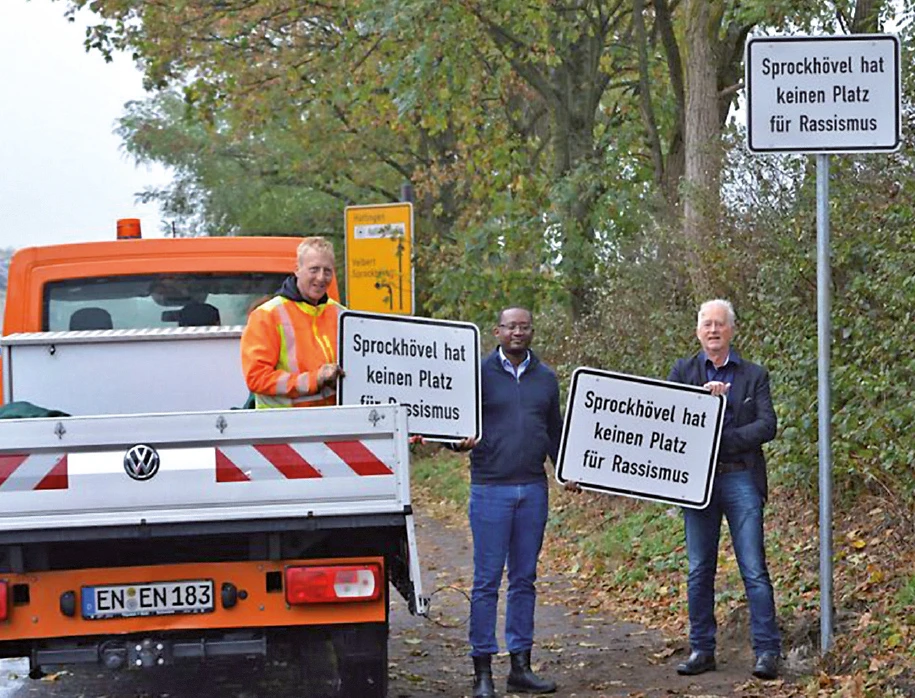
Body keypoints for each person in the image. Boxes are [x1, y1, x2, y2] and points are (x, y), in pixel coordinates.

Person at [667, 299, 781, 681]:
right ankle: (702, 648)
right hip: (695, 483)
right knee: (699, 569)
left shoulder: (754, 375)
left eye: (720, 324)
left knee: (753, 568)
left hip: (740, 478)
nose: (713, 330)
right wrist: (704, 407)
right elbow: (667, 423)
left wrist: (722, 437)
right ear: (698, 331)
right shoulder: (682, 371)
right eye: (707, 324)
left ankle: (767, 651)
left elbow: (767, 426)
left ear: (732, 330)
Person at [454, 307, 562, 697]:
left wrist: (570, 469)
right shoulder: (477, 375)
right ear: (497, 331)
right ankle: (482, 670)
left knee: (524, 580)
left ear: (532, 331)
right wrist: (456, 441)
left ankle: (521, 665)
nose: (518, 332)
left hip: (533, 489)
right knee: (486, 582)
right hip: (490, 489)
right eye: (510, 326)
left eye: (524, 326)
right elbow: (456, 423)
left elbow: (556, 433)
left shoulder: (547, 379)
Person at [240, 236, 344, 408]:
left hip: (337, 426)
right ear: (297, 269)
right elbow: (257, 378)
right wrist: (314, 379)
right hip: (284, 427)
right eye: (314, 269)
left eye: (327, 271)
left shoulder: (341, 314)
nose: (321, 277)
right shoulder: (267, 315)